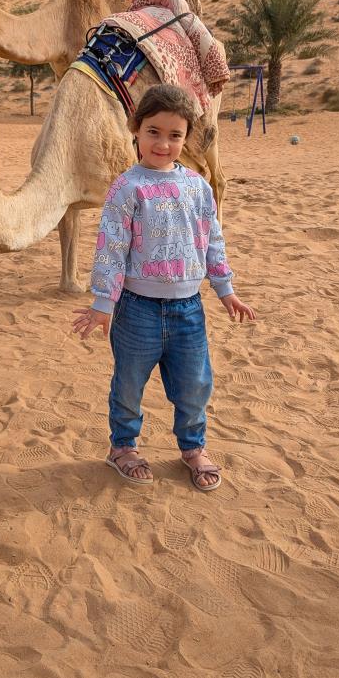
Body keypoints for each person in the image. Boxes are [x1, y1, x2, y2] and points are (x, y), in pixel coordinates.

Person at [72, 84, 255, 490]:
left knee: (195, 385)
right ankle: (123, 448)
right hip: (137, 310)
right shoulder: (127, 188)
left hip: (189, 309)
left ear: (186, 137)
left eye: (175, 135)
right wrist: (104, 302)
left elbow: (212, 239)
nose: (163, 143)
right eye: (154, 131)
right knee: (128, 384)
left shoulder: (198, 186)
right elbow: (111, 248)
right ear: (135, 129)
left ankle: (193, 448)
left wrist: (225, 289)